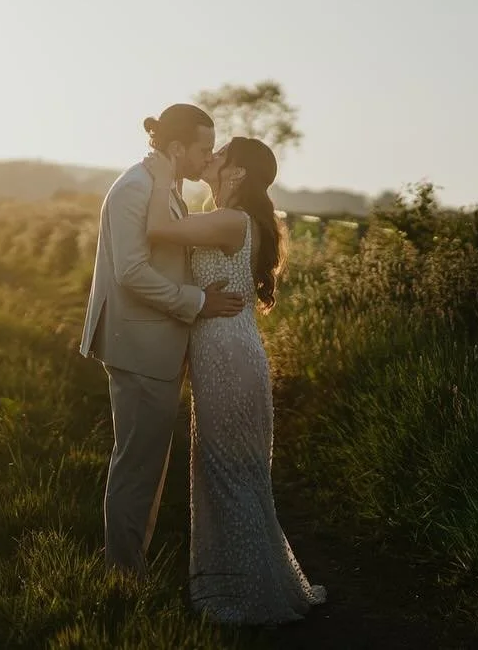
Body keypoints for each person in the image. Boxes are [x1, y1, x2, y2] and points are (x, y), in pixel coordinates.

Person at [142, 136, 326, 625]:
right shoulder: (226, 215)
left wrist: (163, 177)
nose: (212, 156)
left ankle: (249, 599)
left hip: (229, 358)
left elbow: (158, 228)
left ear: (239, 172)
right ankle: (247, 585)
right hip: (225, 353)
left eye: (220, 153)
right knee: (226, 472)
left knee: (229, 473)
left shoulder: (231, 221)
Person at [78, 103, 248, 576]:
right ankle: (123, 576)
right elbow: (132, 272)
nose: (206, 158)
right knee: (137, 468)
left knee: (146, 467)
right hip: (139, 346)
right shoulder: (137, 188)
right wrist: (196, 302)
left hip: (151, 345)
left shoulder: (160, 186)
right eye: (202, 149)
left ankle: (130, 567)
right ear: (176, 147)